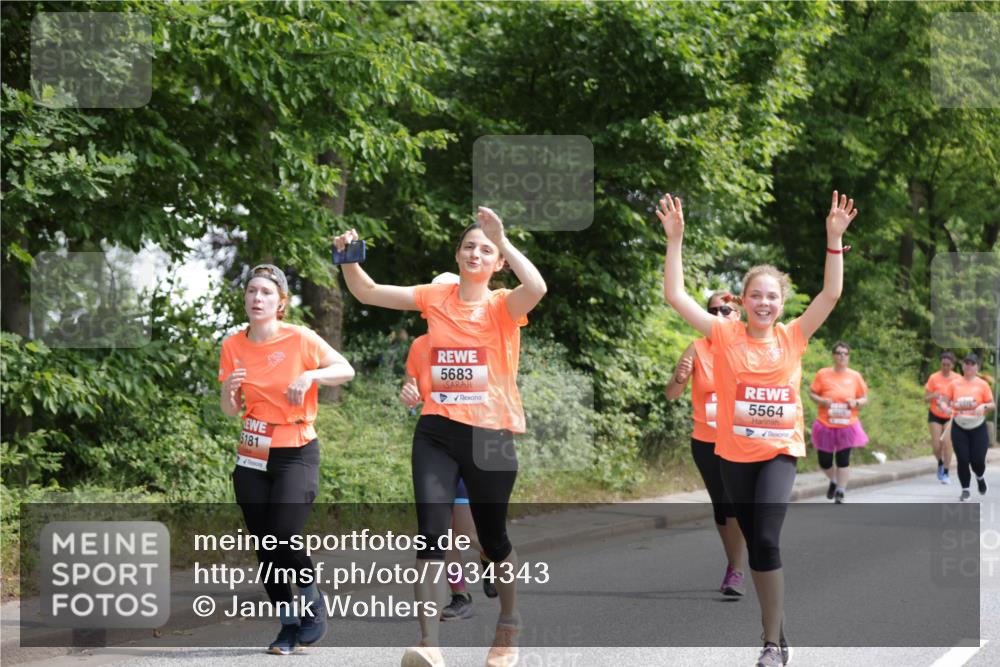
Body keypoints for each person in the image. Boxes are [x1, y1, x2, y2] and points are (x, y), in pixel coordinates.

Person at [335, 206, 546, 667]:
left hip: (491, 436)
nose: (476, 252)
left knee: (493, 541)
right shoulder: (436, 296)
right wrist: (349, 258)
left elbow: (538, 288)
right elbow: (367, 291)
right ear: (457, 255)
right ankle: (429, 643)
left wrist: (503, 238)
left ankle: (508, 624)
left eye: (486, 249)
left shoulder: (503, 305)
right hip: (436, 432)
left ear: (497, 263)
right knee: (431, 534)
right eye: (469, 245)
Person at [660, 190, 858, 667]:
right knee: (752, 544)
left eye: (773, 296)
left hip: (778, 454)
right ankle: (779, 630)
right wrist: (675, 241)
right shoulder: (723, 333)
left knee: (766, 540)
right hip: (731, 456)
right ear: (743, 301)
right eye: (756, 295)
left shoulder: (793, 336)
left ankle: (770, 642)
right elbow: (675, 295)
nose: (764, 302)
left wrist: (833, 240)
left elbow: (831, 294)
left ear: (781, 302)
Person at [219, 264, 355, 655]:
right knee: (264, 545)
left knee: (283, 534)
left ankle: (312, 600)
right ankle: (287, 623)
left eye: (265, 292)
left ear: (281, 303)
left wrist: (310, 377)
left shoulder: (300, 339)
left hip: (296, 450)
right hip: (253, 452)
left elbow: (345, 369)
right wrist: (229, 392)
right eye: (251, 292)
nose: (256, 298)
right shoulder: (233, 345)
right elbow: (231, 409)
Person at [664, 291, 747, 596]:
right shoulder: (698, 347)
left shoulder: (749, 347)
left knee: (735, 507)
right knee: (721, 509)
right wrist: (679, 377)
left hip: (740, 442)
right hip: (705, 441)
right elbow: (671, 394)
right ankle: (733, 564)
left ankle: (737, 570)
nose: (719, 315)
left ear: (738, 314)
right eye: (713, 310)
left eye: (726, 310)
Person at [807, 342, 869, 504]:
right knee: (824, 461)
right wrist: (822, 400)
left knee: (843, 460)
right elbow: (812, 393)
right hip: (825, 424)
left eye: (845, 353)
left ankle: (840, 491)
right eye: (839, 353)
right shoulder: (823, 374)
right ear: (833, 355)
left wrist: (856, 403)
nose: (842, 356)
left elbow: (864, 398)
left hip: (847, 424)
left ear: (849, 357)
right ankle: (834, 480)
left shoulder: (855, 376)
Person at [943, 353, 995, 501]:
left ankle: (979, 477)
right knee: (963, 459)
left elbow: (992, 404)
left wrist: (983, 405)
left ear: (977, 367)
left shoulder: (982, 384)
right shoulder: (954, 384)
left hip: (978, 427)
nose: (968, 366)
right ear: (962, 366)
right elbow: (944, 401)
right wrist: (945, 407)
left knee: (977, 460)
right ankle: (965, 490)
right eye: (966, 363)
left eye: (972, 363)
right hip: (960, 426)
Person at [925, 351, 959, 483]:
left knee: (947, 442)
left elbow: (960, 396)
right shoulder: (934, 378)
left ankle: (946, 472)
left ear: (952, 365)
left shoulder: (957, 379)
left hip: (950, 415)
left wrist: (952, 402)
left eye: (948, 365)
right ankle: (940, 462)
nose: (945, 367)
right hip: (935, 414)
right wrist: (933, 395)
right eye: (943, 364)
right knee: (936, 446)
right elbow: (925, 398)